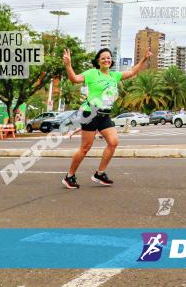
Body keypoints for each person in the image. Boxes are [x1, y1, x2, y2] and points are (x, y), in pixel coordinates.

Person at [60, 46, 151, 189]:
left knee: (113, 142)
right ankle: (69, 176)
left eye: (108, 57)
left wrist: (144, 59)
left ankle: (99, 173)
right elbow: (74, 79)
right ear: (98, 61)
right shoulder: (91, 73)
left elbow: (133, 71)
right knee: (85, 148)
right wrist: (68, 65)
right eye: (103, 58)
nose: (106, 60)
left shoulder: (114, 76)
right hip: (90, 113)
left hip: (104, 115)